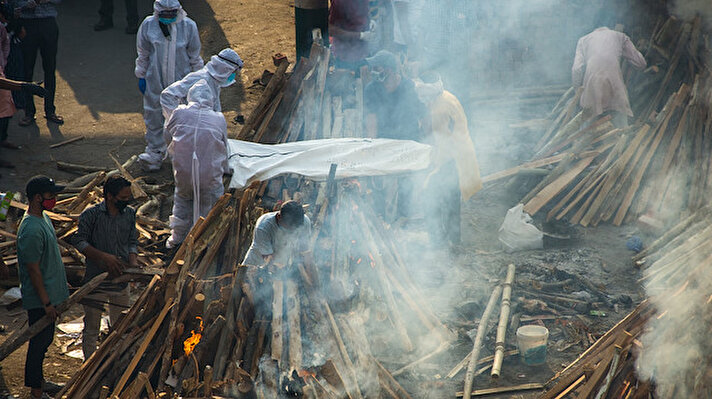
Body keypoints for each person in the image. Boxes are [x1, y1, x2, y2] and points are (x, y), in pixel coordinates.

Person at [73, 175, 138, 360]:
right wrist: (103, 257)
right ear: (109, 196)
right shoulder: (91, 215)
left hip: (121, 280)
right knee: (92, 327)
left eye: (128, 198)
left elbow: (132, 241)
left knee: (120, 327)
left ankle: (114, 363)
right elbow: (78, 240)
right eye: (123, 198)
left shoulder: (130, 214)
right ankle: (90, 367)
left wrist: (133, 263)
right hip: (96, 280)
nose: (127, 202)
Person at [135, 0, 203, 172]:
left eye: (171, 13)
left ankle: (181, 156)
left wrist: (199, 80)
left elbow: (195, 56)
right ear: (158, 12)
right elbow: (143, 52)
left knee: (181, 119)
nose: (168, 17)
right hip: (155, 80)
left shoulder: (188, 26)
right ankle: (155, 152)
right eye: (164, 14)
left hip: (181, 82)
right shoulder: (148, 25)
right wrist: (141, 74)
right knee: (153, 116)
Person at [415, 71, 482, 246]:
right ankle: (453, 241)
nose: (420, 97)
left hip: (451, 159)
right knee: (451, 202)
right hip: (458, 155)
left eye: (422, 93)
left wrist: (435, 166)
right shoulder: (447, 97)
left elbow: (440, 138)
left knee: (431, 197)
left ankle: (439, 241)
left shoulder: (439, 108)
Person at [16, 175, 68, 399]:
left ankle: (40, 382)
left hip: (50, 294)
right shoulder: (30, 229)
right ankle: (36, 392)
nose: (54, 199)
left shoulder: (43, 218)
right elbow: (33, 270)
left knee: (45, 341)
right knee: (39, 343)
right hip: (40, 298)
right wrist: (46, 302)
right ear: (38, 198)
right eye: (50, 195)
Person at [164, 79, 228, 248]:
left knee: (182, 201)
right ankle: (205, 244)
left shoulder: (179, 112)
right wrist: (226, 168)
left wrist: (174, 151)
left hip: (183, 170)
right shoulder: (218, 118)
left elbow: (168, 132)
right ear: (211, 99)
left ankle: (176, 239)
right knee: (210, 207)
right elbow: (224, 145)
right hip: (209, 173)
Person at [572, 25, 646, 128]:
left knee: (586, 131)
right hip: (615, 88)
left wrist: (578, 92)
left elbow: (576, 69)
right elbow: (641, 63)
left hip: (592, 89)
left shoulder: (583, 40)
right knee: (621, 130)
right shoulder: (620, 37)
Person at [160, 47, 243, 120]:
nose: (234, 76)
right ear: (225, 69)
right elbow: (167, 95)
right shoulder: (200, 78)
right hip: (185, 133)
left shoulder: (215, 83)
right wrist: (178, 122)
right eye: (233, 72)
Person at [16, 0, 63, 127]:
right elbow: (12, 3)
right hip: (26, 22)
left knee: (50, 68)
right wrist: (25, 4)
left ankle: (50, 110)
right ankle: (29, 112)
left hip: (47, 21)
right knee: (27, 69)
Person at [364, 50, 426, 141]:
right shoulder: (371, 89)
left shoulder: (408, 87)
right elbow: (371, 120)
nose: (372, 71)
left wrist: (429, 143)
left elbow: (422, 113)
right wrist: (371, 144)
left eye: (376, 68)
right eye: (372, 68)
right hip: (384, 140)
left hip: (409, 139)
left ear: (388, 70)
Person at [243, 201, 312, 267]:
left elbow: (304, 249)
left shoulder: (304, 222)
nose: (292, 230)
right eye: (289, 227)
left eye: (295, 227)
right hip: (257, 264)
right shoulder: (263, 226)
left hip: (281, 264)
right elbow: (268, 258)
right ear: (279, 217)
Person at [328, 0, 372, 69]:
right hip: (345, 58)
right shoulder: (340, 2)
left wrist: (370, 22)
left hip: (363, 55)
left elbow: (364, 14)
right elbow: (331, 30)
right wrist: (360, 35)